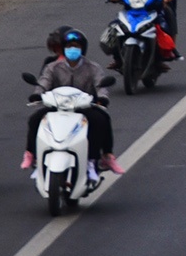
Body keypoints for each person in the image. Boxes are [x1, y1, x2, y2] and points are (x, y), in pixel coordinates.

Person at [22, 29, 121, 178]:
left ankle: (102, 157)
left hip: (83, 107)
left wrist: (102, 98)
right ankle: (31, 154)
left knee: (102, 120)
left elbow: (100, 85)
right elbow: (44, 82)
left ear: (82, 49)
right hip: (57, 107)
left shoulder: (92, 67)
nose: (72, 50)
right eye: (68, 46)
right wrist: (37, 94)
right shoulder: (53, 67)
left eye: (76, 46)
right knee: (34, 119)